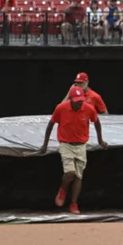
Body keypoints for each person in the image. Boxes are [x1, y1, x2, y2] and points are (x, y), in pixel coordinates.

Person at [40, 86, 107, 215]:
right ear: (70, 99)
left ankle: (73, 203)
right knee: (70, 172)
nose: (79, 102)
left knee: (78, 176)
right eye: (76, 100)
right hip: (66, 144)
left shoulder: (88, 108)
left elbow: (97, 123)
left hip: (81, 145)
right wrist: (45, 145)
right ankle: (63, 189)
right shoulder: (61, 108)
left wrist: (100, 141)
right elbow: (50, 125)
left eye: (81, 100)